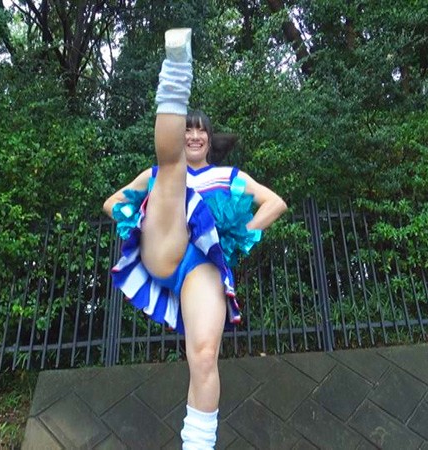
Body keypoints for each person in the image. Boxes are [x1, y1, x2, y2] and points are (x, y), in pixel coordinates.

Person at [102, 28, 287, 450]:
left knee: (203, 356)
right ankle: (176, 68)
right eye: (187, 129)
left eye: (200, 131)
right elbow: (112, 203)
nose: (194, 136)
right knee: (171, 171)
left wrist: (237, 236)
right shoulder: (156, 175)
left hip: (201, 267)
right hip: (164, 246)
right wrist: (137, 218)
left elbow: (274, 203)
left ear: (209, 138)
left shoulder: (228, 177)